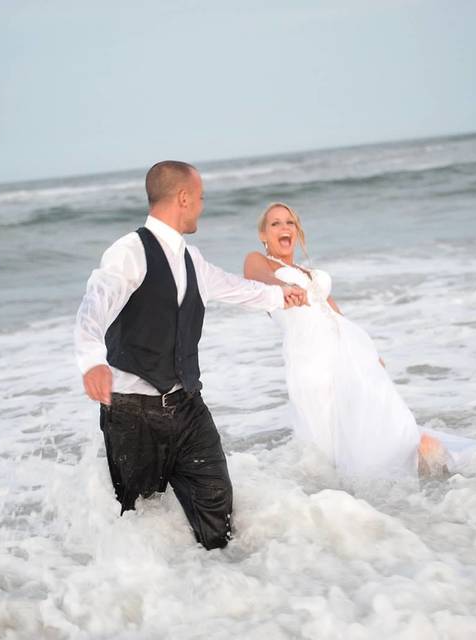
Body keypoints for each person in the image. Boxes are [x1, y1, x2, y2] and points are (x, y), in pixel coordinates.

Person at [74, 162, 307, 550]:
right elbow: (93, 304)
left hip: (188, 408)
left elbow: (232, 287)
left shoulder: (191, 258)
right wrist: (91, 360)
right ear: (183, 198)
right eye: (199, 198)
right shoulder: (129, 252)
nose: (201, 206)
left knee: (218, 515)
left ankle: (225, 588)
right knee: (135, 521)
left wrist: (280, 296)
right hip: (134, 412)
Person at [243, 202, 449, 479]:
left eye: (290, 223)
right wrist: (282, 286)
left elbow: (336, 315)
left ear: (298, 231)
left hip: (345, 351)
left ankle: (406, 465)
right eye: (276, 223)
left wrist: (368, 352)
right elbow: (255, 276)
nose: (284, 228)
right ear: (263, 235)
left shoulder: (308, 273)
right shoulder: (260, 261)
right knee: (331, 434)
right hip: (310, 356)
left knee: (378, 409)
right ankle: (350, 488)